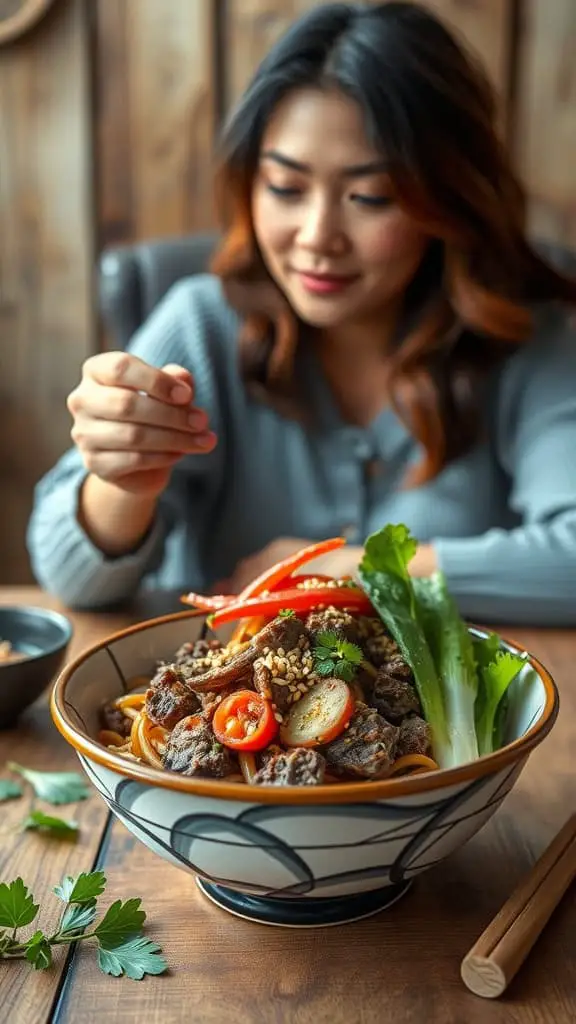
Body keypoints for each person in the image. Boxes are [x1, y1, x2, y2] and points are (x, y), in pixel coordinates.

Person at [27, 1, 576, 624]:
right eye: (285, 188)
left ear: (447, 197)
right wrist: (123, 484)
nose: (317, 236)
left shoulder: (529, 336)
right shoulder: (203, 323)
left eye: (370, 196)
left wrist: (357, 568)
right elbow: (65, 575)